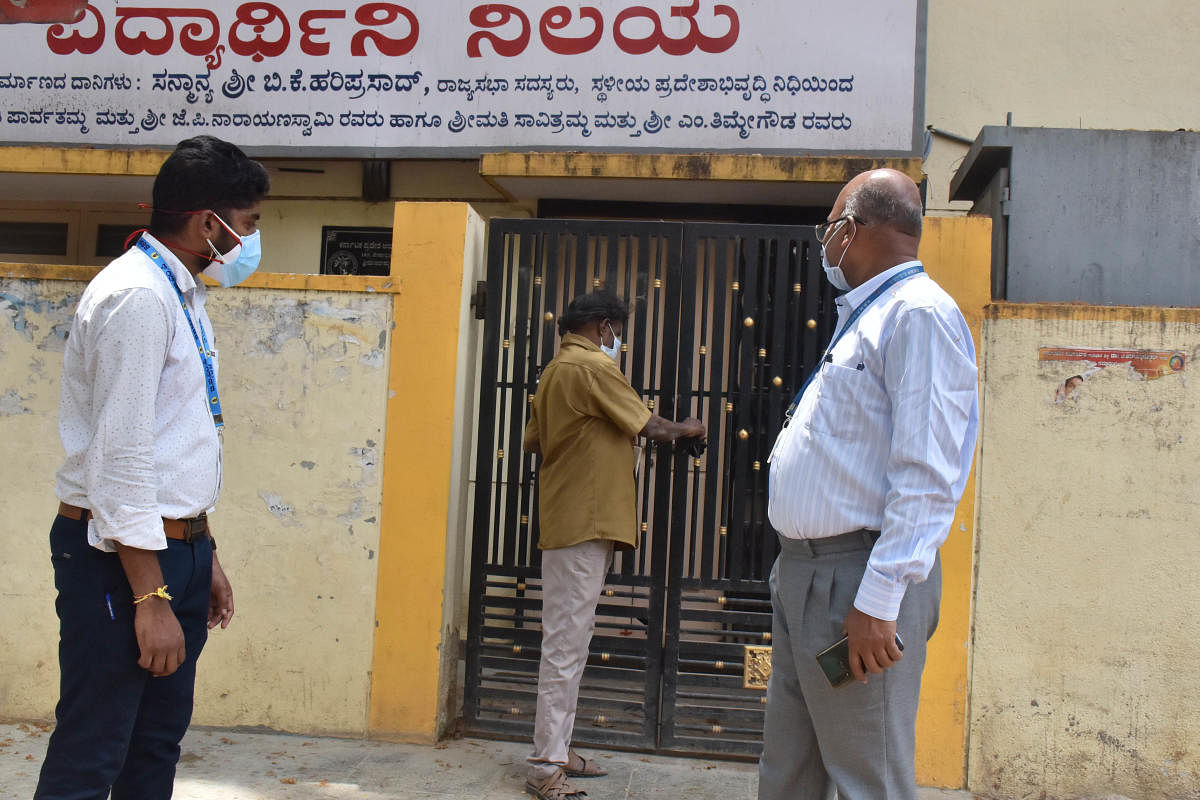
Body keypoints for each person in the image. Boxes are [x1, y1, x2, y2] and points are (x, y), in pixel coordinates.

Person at [36, 135, 269, 800]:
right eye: (247, 224)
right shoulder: (136, 298)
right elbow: (123, 459)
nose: (251, 241)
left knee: (154, 744)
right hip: (120, 560)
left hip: (176, 548)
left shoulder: (182, 294)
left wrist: (204, 551)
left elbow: (176, 444)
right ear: (207, 223)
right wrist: (150, 597)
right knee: (95, 747)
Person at [760, 169, 979, 800]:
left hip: (857, 582)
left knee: (868, 779)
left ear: (851, 230)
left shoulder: (919, 316)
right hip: (805, 576)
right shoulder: (868, 316)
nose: (825, 244)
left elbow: (929, 472)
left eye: (829, 227)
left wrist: (880, 598)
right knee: (789, 772)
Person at [522, 291, 705, 800]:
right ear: (604, 327)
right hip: (585, 519)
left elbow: (533, 440)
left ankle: (557, 748)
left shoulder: (554, 371)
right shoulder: (592, 368)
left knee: (569, 642)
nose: (617, 340)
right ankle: (544, 766)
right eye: (617, 331)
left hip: (569, 515)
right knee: (565, 645)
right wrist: (690, 427)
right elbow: (650, 424)